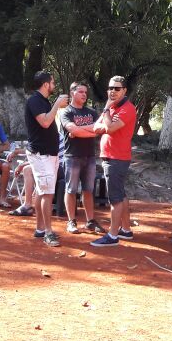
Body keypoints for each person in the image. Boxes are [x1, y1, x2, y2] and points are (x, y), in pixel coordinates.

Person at [90, 76, 138, 247]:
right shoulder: (113, 108)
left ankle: (112, 235)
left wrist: (106, 112)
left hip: (117, 158)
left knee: (115, 199)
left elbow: (109, 128)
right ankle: (126, 230)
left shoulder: (127, 108)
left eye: (117, 88)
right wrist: (106, 120)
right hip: (111, 157)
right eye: (110, 88)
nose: (113, 91)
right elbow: (96, 127)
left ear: (124, 90)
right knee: (120, 194)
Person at [24, 71, 69, 247]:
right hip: (41, 154)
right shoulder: (35, 100)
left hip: (49, 153)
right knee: (47, 193)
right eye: (52, 82)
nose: (54, 85)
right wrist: (57, 103)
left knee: (42, 191)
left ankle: (40, 229)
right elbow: (45, 122)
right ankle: (48, 232)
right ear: (45, 84)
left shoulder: (43, 101)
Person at [59, 82, 105, 235]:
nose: (84, 94)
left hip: (89, 156)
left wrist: (79, 130)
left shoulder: (91, 112)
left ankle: (90, 221)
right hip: (72, 156)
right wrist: (86, 130)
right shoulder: (66, 112)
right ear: (72, 93)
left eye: (85, 92)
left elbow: (99, 130)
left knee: (88, 190)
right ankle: (71, 221)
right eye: (80, 92)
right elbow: (72, 129)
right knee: (71, 190)